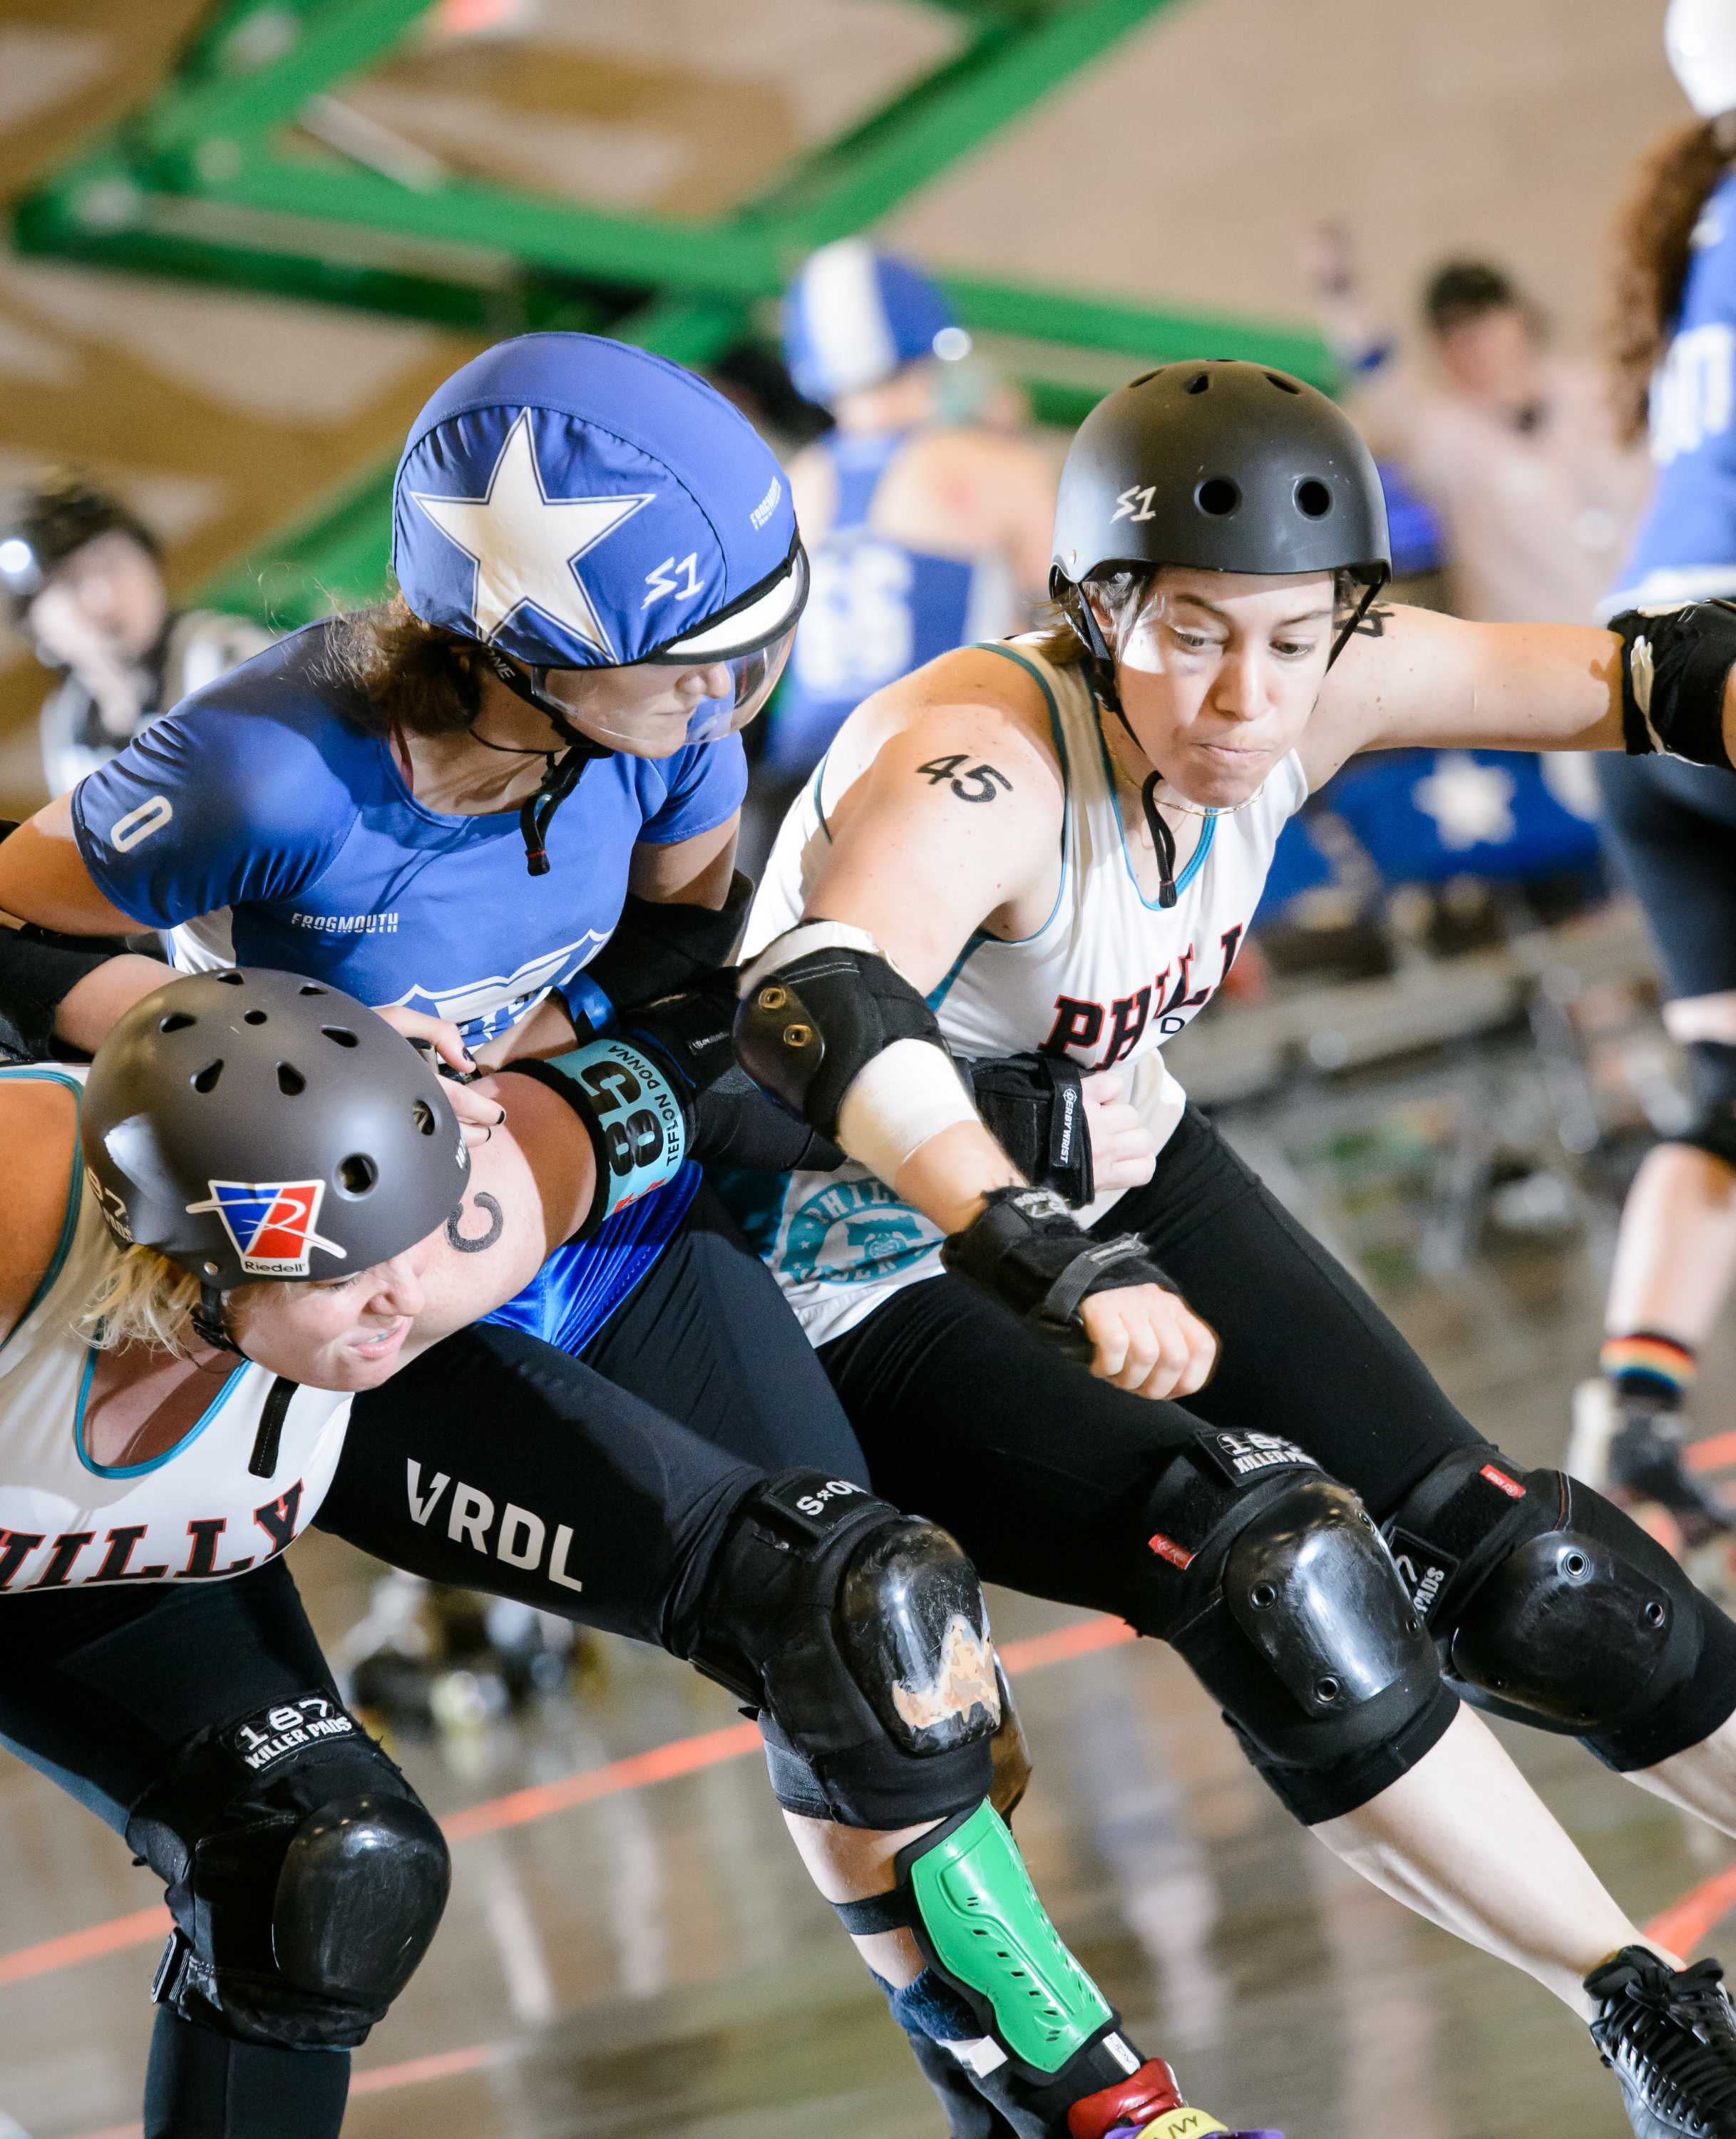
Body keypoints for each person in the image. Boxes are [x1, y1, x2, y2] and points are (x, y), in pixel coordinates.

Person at [0, 334, 1263, 2139]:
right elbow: (18, 939)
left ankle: (1044, 2089)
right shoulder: (270, 764)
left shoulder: (653, 743)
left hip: (565, 1195)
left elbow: (688, 975)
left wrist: (586, 1094)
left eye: (753, 647)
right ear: (523, 655)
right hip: (371, 1273)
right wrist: (273, 1056)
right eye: (695, 665)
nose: (733, 694)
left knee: (880, 1632)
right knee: (711, 1660)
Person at [727, 355, 1736, 2139]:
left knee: (1527, 1571)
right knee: (1271, 1571)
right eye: (1189, 636)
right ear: (1090, 604)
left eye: (1286, 641)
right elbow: (812, 999)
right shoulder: (975, 759)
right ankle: (1649, 2019)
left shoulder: (1317, 671)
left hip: (1115, 1167)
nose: (1242, 697)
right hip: (854, 1257)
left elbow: (1645, 675)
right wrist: (1026, 1239)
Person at [1, 965, 1264, 2139]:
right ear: (190, 1268)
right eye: (349, 1272)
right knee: (320, 1861)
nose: (406, 1294)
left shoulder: (404, 1277)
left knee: (832, 1597)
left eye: (418, 1239)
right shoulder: (22, 1208)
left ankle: (1095, 2115)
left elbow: (727, 1056)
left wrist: (1008, 1169)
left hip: (196, 1507)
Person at [1565, 0, 1736, 1578]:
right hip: (1729, 673)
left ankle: (1625, 1415)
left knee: (1723, 1096)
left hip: (1641, 683)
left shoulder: (1701, 231)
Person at [759, 241, 1055, 811]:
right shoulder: (994, 465)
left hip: (799, 785)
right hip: (943, 772)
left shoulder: (795, 485)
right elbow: (1084, 618)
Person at [1301, 230, 1650, 627]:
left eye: (1483, 319)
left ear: (1519, 316)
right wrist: (1340, 298)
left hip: (1659, 626)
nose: (1474, 342)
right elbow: (1379, 383)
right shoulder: (1446, 439)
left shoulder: (1602, 394)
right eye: (1454, 333)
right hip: (1543, 657)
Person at [0, 470, 272, 797]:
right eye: (70, 583)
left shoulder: (229, 658)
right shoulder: (69, 724)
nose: (102, 596)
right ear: (35, 628)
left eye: (112, 564)